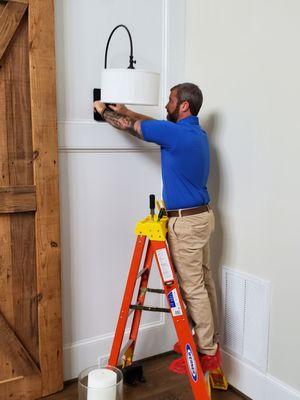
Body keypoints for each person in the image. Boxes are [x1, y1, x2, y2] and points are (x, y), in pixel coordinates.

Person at [94, 83, 219, 358]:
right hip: (202, 217)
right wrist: (127, 109)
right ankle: (211, 340)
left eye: (171, 100)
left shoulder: (176, 135)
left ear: (184, 105)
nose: (166, 104)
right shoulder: (194, 133)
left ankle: (207, 350)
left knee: (193, 288)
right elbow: (159, 128)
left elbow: (128, 126)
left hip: (186, 224)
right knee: (205, 281)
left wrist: (103, 110)